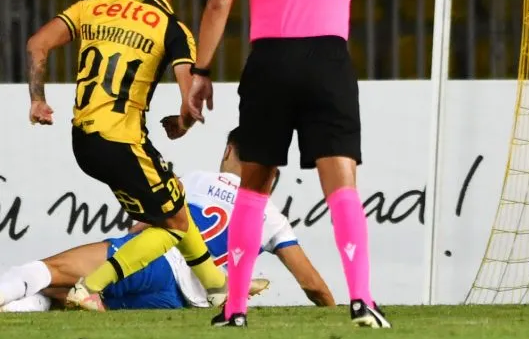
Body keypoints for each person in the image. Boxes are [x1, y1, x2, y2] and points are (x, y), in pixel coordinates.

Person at [186, 0, 388, 329]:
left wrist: (201, 70)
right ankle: (362, 299)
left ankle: (234, 309)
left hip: (270, 59)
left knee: (252, 186)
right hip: (329, 57)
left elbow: (220, 1)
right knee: (342, 182)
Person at [25, 0, 228, 311]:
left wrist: (37, 98)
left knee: (173, 204)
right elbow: (190, 96)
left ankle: (217, 287)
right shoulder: (172, 27)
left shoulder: (91, 8)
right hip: (122, 141)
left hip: (83, 140)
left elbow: (38, 42)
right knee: (173, 225)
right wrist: (183, 123)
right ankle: (91, 286)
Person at [0, 130, 333, 313]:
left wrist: (121, 249)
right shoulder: (272, 218)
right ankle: (24, 307)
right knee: (62, 296)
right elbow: (312, 284)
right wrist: (335, 315)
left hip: (157, 262)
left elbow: (144, 227)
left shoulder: (201, 180)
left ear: (229, 149)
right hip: (180, 299)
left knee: (47, 270)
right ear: (271, 174)